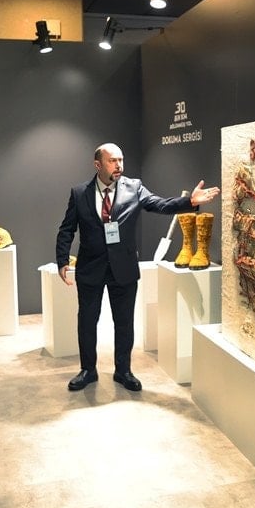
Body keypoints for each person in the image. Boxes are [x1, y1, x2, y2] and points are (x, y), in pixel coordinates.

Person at [56, 142, 220, 392]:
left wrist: (190, 202)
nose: (119, 165)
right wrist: (62, 260)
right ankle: (88, 370)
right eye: (112, 161)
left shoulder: (134, 188)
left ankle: (123, 371)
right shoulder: (80, 193)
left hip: (123, 268)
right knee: (87, 321)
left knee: (124, 322)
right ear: (98, 164)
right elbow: (67, 229)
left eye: (121, 160)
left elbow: (161, 205)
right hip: (91, 268)